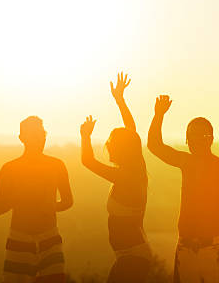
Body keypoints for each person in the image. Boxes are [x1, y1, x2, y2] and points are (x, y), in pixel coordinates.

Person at [147, 95, 219, 283]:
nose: (196, 140)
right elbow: (154, 146)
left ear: (211, 139)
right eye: (191, 136)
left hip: (213, 249)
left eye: (201, 136)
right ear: (187, 139)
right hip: (185, 247)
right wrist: (158, 115)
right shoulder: (187, 162)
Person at [80, 73, 151, 282]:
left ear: (122, 150)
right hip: (130, 256)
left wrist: (85, 136)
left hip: (134, 258)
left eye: (111, 145)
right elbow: (131, 131)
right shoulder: (134, 168)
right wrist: (120, 100)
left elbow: (88, 161)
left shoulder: (126, 175)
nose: (108, 148)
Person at [0, 116, 73, 283]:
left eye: (41, 134)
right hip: (19, 240)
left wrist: (51, 206)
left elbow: (68, 201)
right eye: (34, 135)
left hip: (50, 239)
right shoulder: (9, 169)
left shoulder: (57, 165)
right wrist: (20, 196)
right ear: (22, 138)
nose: (39, 139)